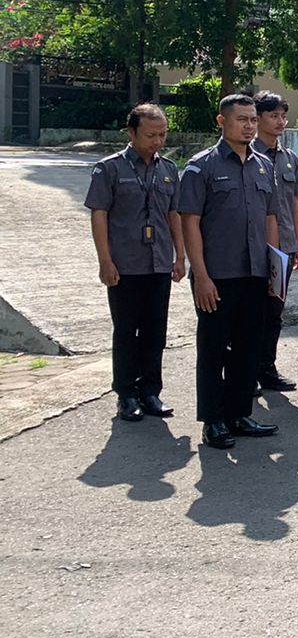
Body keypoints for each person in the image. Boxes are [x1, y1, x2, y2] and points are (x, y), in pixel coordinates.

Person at [177, 94, 280, 449]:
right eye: (243, 120)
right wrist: (200, 276)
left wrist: (274, 266)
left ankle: (239, 413)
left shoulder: (263, 165)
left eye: (253, 120)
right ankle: (213, 420)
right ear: (222, 122)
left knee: (248, 348)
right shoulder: (200, 166)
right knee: (213, 348)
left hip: (254, 272)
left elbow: (270, 218)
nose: (250, 126)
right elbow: (190, 223)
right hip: (217, 275)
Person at [84, 103, 185, 422]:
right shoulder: (109, 168)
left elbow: (174, 214)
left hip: (158, 263)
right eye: (151, 135)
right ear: (132, 132)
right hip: (125, 264)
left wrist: (179, 255)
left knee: (156, 330)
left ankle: (151, 391)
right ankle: (126, 394)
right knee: (127, 330)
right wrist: (105, 260)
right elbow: (99, 214)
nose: (158, 141)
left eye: (163, 134)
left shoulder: (168, 169)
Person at [251, 92, 298, 393]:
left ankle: (266, 368)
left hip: (281, 249)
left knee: (274, 312)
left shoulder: (289, 158)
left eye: (283, 115)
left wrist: (294, 242)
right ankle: (244, 370)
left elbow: (294, 203)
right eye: (274, 116)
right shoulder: (248, 154)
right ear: (257, 119)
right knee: (249, 313)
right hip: (252, 247)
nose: (280, 121)